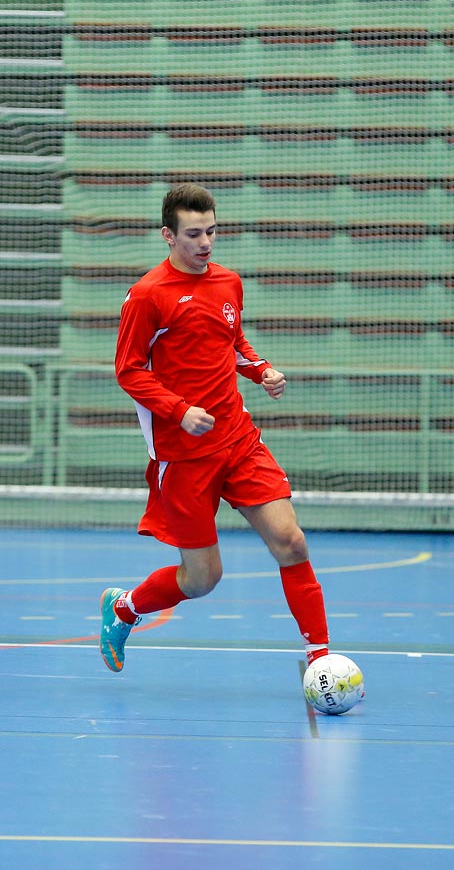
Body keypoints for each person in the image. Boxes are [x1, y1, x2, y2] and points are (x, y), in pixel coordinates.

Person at [98, 183, 333, 675]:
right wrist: (179, 410)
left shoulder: (228, 282)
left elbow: (231, 340)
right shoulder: (147, 296)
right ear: (168, 236)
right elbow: (129, 369)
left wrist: (260, 369)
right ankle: (124, 608)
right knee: (203, 578)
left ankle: (321, 660)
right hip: (183, 455)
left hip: (237, 439)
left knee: (291, 541)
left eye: (211, 232)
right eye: (193, 235)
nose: (205, 244)